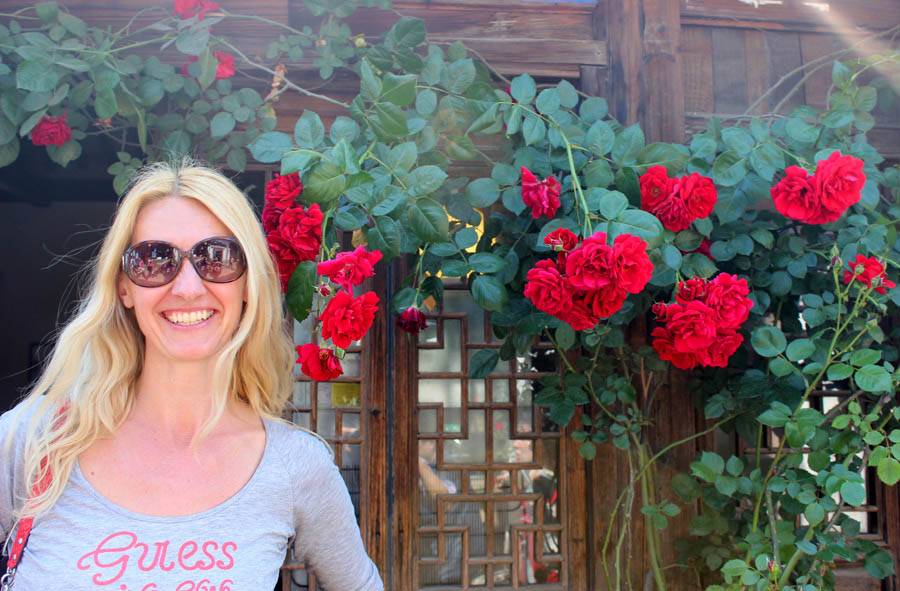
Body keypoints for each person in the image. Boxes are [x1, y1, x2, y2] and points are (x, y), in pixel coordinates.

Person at [0, 161, 383, 591]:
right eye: (153, 259)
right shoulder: (33, 441)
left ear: (248, 285)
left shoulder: (294, 466)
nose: (187, 288)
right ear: (124, 287)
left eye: (217, 258)